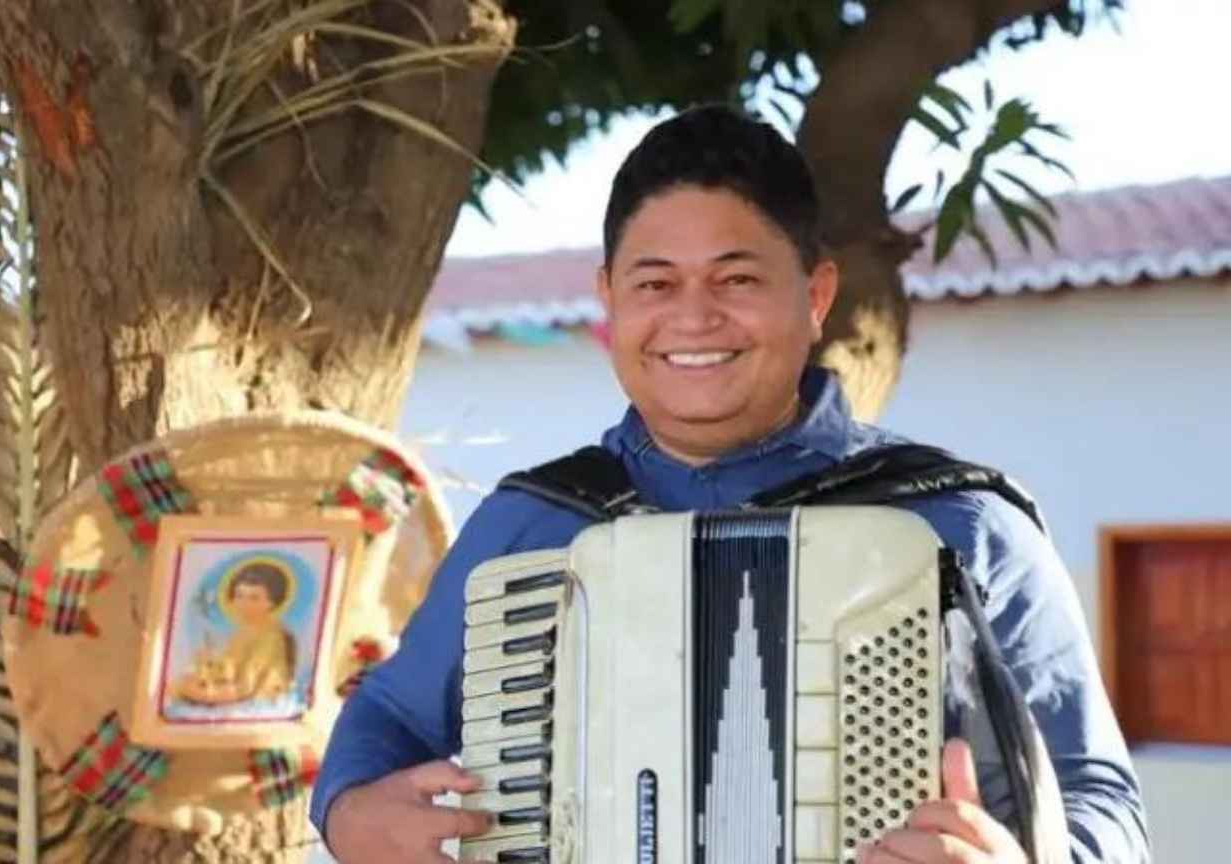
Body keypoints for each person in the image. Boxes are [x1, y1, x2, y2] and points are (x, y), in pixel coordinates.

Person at [310, 104, 1150, 864]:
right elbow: (390, 717)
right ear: (609, 301)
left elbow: (1103, 805)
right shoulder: (529, 524)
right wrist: (349, 813)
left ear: (816, 295)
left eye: (737, 279)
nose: (693, 317)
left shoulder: (963, 524)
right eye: (655, 284)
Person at [171, 561, 297, 707]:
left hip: (259, 703)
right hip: (233, 694)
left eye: (254, 598)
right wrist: (207, 665)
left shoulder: (271, 636)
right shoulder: (243, 631)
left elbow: (246, 687)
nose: (244, 604)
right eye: (239, 596)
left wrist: (206, 695)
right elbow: (227, 671)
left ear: (271, 603)